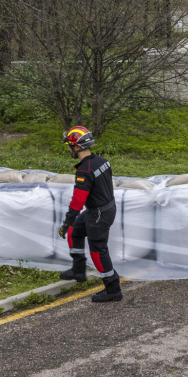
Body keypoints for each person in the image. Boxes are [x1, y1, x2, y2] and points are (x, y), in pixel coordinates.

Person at [58, 126, 123, 302]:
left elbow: (78, 201)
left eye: (69, 146)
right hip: (102, 209)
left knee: (98, 251)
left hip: (99, 214)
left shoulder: (84, 170)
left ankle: (113, 288)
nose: (68, 149)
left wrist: (66, 222)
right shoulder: (102, 161)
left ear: (77, 147)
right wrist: (70, 225)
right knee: (75, 231)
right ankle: (78, 270)